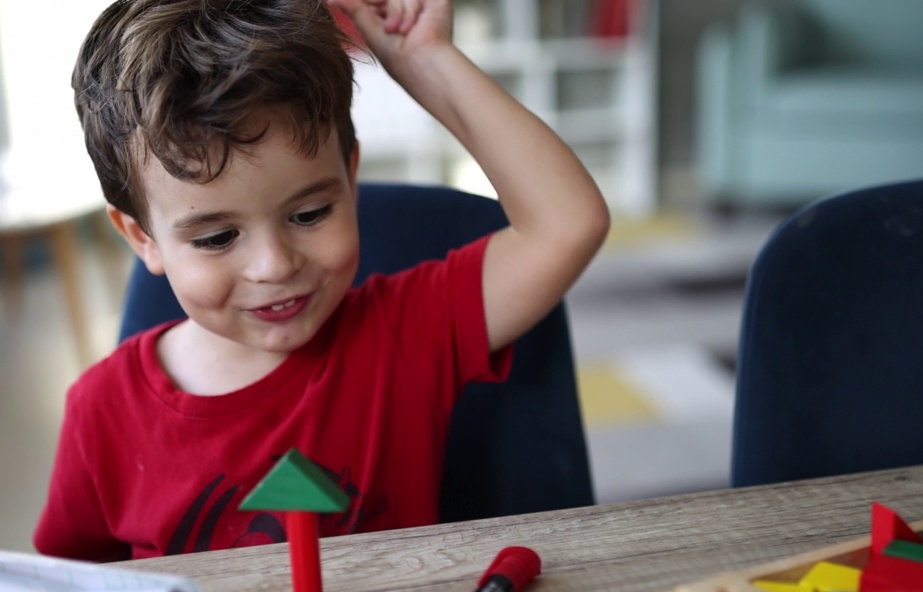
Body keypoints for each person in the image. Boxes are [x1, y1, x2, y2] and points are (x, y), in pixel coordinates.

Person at [33, 0, 610, 561]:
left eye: (309, 215)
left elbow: (567, 223)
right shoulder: (99, 414)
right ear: (142, 239)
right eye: (216, 238)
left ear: (350, 180)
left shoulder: (407, 333)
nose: (275, 266)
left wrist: (426, 60)